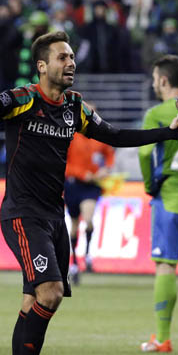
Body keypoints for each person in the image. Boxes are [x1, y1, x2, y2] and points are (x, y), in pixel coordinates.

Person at [0, 31, 178, 355]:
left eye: (72, 56)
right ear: (42, 66)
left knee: (34, 300)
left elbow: (115, 135)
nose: (71, 62)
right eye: (62, 57)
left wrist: (168, 132)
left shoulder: (75, 107)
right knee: (51, 291)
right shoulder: (22, 98)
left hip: (53, 217)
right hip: (22, 214)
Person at [138, 54, 178, 354]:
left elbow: (145, 155)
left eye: (154, 79)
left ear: (163, 80)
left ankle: (162, 337)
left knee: (165, 266)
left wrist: (149, 185)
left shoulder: (156, 113)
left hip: (169, 197)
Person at [64, 110, 115, 283]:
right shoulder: (71, 136)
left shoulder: (98, 137)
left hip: (91, 186)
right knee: (74, 223)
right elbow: (65, 163)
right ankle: (75, 262)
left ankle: (86, 255)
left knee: (89, 217)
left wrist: (106, 169)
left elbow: (109, 154)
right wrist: (82, 173)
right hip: (73, 184)